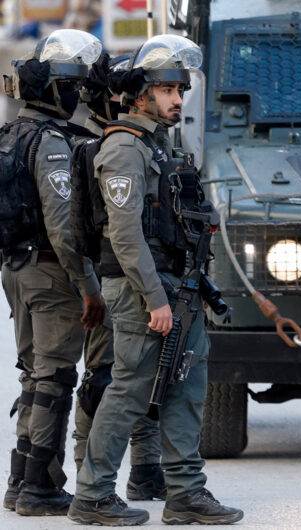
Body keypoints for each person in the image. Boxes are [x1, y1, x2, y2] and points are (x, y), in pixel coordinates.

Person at [67, 35, 242, 526]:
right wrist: (154, 299)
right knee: (129, 389)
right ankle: (92, 495)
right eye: (167, 89)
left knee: (187, 385)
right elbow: (125, 235)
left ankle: (185, 492)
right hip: (141, 289)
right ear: (140, 94)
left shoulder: (157, 144)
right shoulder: (124, 147)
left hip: (175, 284)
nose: (177, 99)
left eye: (180, 90)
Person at [0, 28, 105, 516]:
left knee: (34, 375)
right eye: (72, 86)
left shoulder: (10, 134)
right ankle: (40, 487)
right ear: (54, 89)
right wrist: (88, 288)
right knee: (55, 379)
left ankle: (20, 482)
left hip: (16, 270)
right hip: (50, 272)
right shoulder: (53, 143)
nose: (78, 95)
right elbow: (63, 229)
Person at [71, 52, 166, 501]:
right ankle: (87, 477)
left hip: (134, 276)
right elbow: (79, 231)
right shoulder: (104, 145)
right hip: (108, 279)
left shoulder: (145, 141)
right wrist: (88, 286)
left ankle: (145, 470)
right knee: (105, 379)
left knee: (145, 377)